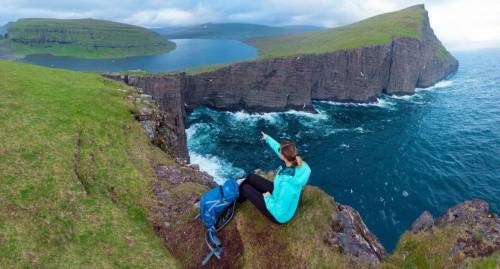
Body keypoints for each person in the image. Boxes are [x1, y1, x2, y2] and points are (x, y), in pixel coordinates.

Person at [237, 131, 311, 224]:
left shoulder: (287, 185)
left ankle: (237, 200)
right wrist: (268, 138)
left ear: (283, 157)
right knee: (252, 177)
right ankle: (239, 193)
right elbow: (280, 149)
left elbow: (279, 212)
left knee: (245, 188)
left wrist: (268, 198)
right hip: (279, 193)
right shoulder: (301, 165)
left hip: (280, 216)